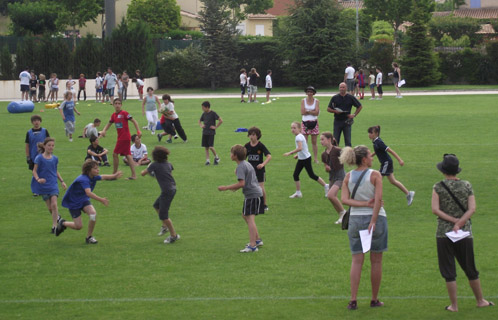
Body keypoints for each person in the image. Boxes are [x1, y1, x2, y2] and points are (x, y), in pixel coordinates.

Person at [431, 154, 494, 312]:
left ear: (443, 170)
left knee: (449, 271)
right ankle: (480, 300)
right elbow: (472, 208)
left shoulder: (438, 187)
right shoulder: (467, 185)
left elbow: (435, 210)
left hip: (444, 233)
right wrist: (459, 222)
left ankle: (454, 305)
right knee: (470, 268)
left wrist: (452, 221)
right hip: (465, 233)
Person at [339, 145, 387, 310]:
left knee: (356, 261)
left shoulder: (348, 176)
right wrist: (373, 219)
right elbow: (378, 200)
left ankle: (353, 300)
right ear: (365, 159)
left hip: (355, 220)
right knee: (376, 261)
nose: (372, 157)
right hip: (376, 219)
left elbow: (345, 200)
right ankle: (374, 299)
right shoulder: (375, 175)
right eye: (370, 155)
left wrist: (362, 204)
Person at [56, 159, 123, 244]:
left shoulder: (93, 177)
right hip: (73, 202)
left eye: (97, 168)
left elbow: (104, 177)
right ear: (88, 170)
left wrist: (114, 176)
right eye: (95, 168)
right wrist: (101, 199)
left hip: (83, 199)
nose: (98, 170)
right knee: (78, 226)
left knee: (93, 214)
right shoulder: (83, 179)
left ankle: (89, 237)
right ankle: (63, 223)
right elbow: (88, 193)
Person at [218, 144, 264, 253]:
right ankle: (257, 240)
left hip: (252, 195)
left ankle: (252, 245)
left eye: (231, 153)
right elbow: (247, 180)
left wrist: (226, 188)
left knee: (249, 218)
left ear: (235, 156)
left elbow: (241, 183)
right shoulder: (246, 164)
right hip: (255, 193)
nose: (230, 155)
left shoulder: (241, 166)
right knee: (245, 216)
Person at [141, 146, 180, 244]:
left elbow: (142, 173)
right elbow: (166, 173)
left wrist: (149, 168)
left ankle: (173, 236)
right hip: (172, 188)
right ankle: (164, 226)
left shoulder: (154, 165)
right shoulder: (169, 164)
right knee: (156, 205)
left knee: (164, 215)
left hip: (167, 191)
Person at [368, 126, 415, 206]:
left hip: (386, 163)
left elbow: (390, 150)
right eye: (369, 133)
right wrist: (370, 156)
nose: (369, 134)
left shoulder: (379, 142)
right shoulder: (375, 142)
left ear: (376, 133)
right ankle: (408, 193)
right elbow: (377, 151)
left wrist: (400, 160)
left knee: (378, 180)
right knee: (393, 181)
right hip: (385, 163)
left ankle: (375, 200)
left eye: (371, 133)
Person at [284, 121, 328, 198]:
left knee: (311, 175)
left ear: (299, 129)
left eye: (294, 128)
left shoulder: (298, 137)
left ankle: (326, 186)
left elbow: (300, 148)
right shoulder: (300, 136)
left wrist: (290, 153)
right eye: (291, 128)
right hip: (302, 158)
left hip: (305, 159)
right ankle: (298, 193)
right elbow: (304, 147)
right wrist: (297, 155)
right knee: (296, 175)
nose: (293, 129)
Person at [31, 138, 67, 233]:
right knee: (50, 208)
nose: (51, 147)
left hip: (53, 184)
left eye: (52, 145)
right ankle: (58, 218)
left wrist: (62, 181)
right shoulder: (39, 158)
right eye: (49, 145)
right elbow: (34, 171)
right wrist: (38, 179)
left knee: (54, 205)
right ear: (44, 146)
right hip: (43, 186)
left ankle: (54, 226)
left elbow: (55, 170)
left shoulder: (55, 158)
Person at [101, 99, 142, 180]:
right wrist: (104, 130)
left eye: (119, 103)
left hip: (124, 138)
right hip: (120, 137)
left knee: (115, 154)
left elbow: (134, 121)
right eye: (116, 103)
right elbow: (109, 123)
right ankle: (134, 175)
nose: (117, 105)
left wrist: (138, 130)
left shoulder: (124, 113)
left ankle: (114, 175)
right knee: (128, 155)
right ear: (113, 105)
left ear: (121, 105)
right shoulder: (113, 115)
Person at [320, 132, 347, 224]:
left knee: (331, 195)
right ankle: (341, 215)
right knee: (331, 197)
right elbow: (326, 168)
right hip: (332, 177)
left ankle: (344, 213)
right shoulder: (323, 155)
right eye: (320, 140)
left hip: (340, 177)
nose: (321, 141)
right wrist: (327, 168)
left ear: (329, 140)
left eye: (323, 139)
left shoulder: (337, 150)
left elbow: (347, 157)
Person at [327, 82, 363, 147]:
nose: (342, 89)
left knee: (348, 141)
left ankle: (348, 155)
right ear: (339, 88)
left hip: (347, 121)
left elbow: (360, 106)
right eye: (340, 87)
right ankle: (335, 155)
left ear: (346, 88)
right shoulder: (335, 98)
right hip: (337, 121)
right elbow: (328, 109)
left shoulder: (350, 97)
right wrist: (335, 111)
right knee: (335, 140)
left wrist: (354, 115)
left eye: (343, 87)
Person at [244, 127, 271, 211]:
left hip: (259, 170)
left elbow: (269, 156)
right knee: (249, 187)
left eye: (253, 135)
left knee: (260, 187)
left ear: (258, 136)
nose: (251, 137)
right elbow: (242, 158)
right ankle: (251, 203)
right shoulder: (246, 146)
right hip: (249, 171)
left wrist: (262, 164)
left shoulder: (260, 145)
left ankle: (264, 204)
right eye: (250, 135)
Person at [301, 86, 321, 164]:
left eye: (311, 92)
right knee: (304, 141)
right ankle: (305, 157)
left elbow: (316, 112)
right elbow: (302, 112)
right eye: (308, 92)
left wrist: (308, 111)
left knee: (314, 142)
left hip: (314, 123)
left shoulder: (316, 101)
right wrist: (312, 111)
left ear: (313, 93)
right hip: (305, 123)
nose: (309, 93)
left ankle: (315, 158)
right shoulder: (303, 101)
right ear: (306, 93)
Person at [199, 101, 222, 165]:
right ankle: (207, 160)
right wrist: (201, 125)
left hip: (211, 133)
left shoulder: (213, 113)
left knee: (211, 147)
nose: (202, 109)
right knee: (206, 147)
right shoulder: (204, 114)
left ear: (207, 107)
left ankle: (217, 157)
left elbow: (221, 120)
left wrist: (215, 127)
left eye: (203, 107)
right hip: (205, 132)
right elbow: (199, 121)